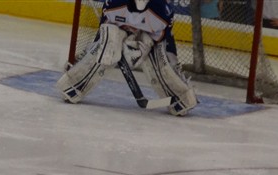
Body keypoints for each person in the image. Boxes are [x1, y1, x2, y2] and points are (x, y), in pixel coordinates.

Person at [56, 0, 198, 116]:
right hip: (119, 32)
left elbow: (163, 41)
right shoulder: (114, 4)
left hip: (145, 36)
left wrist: (146, 46)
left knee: (156, 55)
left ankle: (179, 97)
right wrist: (100, 46)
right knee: (109, 43)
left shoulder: (161, 12)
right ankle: (74, 84)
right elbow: (104, 31)